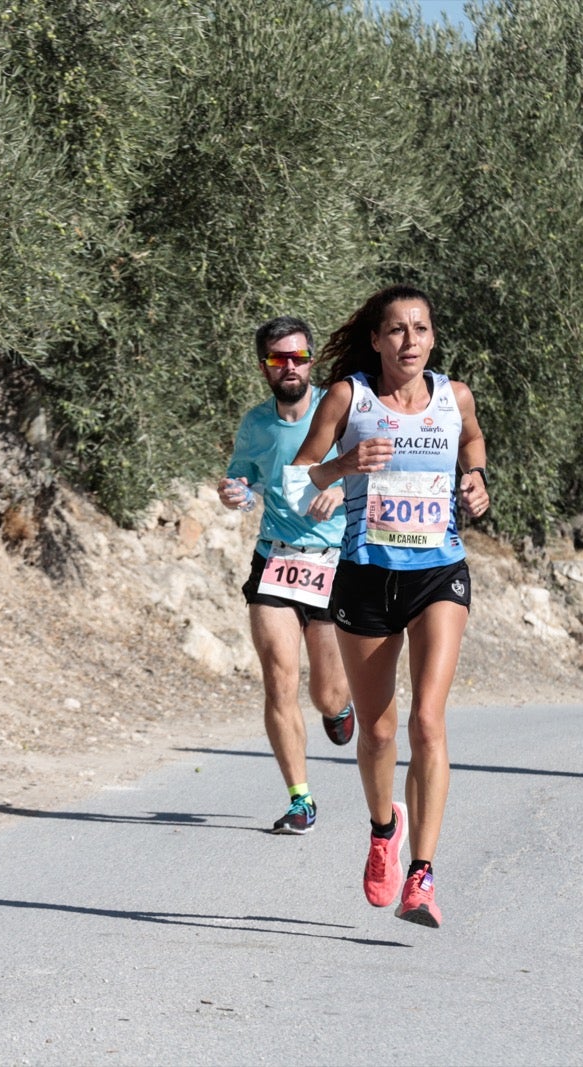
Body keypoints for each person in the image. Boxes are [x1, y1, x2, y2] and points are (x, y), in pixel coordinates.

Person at [288, 284, 488, 929]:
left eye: (421, 329)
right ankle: (383, 831)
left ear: (433, 337)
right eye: (396, 330)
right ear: (376, 339)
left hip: (438, 573)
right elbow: (300, 478)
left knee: (427, 721)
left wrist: (476, 479)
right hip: (365, 575)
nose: (409, 341)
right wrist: (343, 463)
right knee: (377, 731)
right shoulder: (349, 397)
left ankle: (422, 877)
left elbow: (474, 444)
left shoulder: (454, 397)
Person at [219, 317, 355, 834]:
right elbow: (242, 479)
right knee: (278, 679)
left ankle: (338, 707)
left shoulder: (337, 410)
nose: (290, 366)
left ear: (312, 360)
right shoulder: (255, 424)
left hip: (331, 561)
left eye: (299, 357)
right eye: (279, 360)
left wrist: (340, 489)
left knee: (326, 694)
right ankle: (301, 798)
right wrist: (233, 492)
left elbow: (372, 466)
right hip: (275, 558)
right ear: (265, 368)